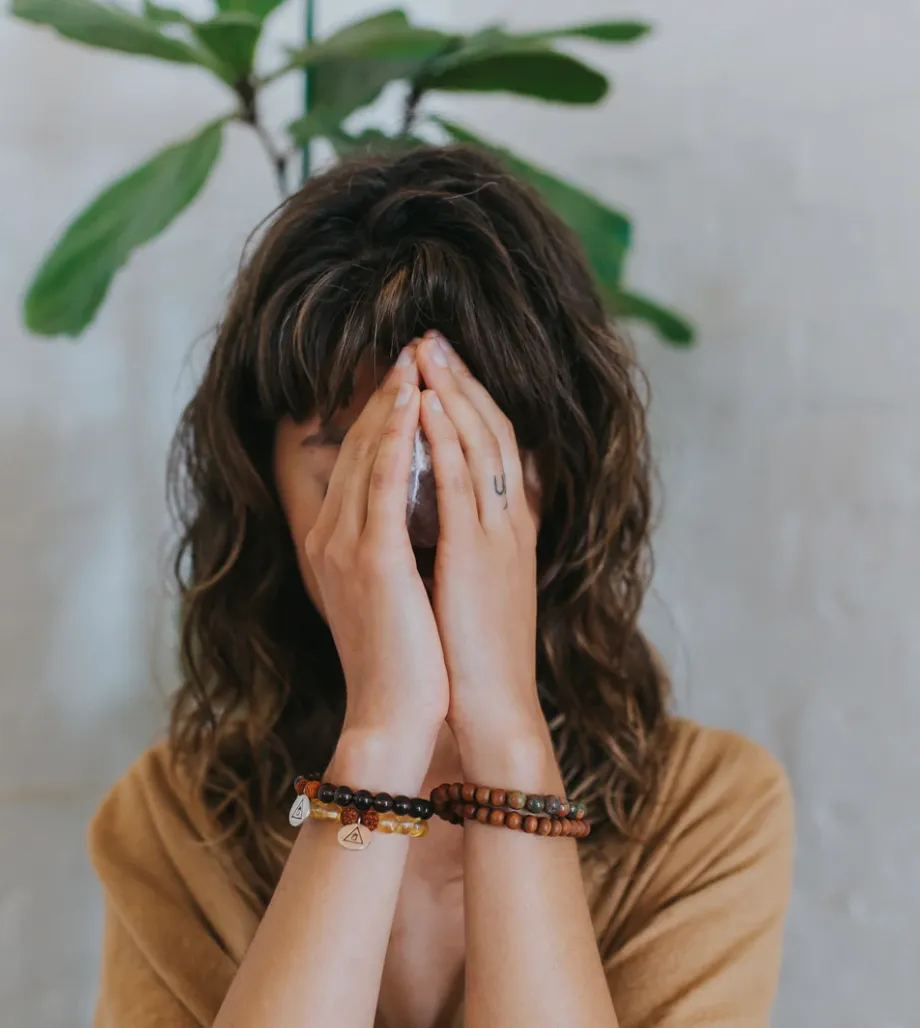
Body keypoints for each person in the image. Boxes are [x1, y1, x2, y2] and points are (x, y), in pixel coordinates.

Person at [88, 145, 794, 1028]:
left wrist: (503, 728)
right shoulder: (176, 821)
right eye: (358, 459)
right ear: (263, 486)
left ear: (559, 474)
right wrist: (383, 734)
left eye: (472, 453)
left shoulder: (707, 814)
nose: (419, 517)